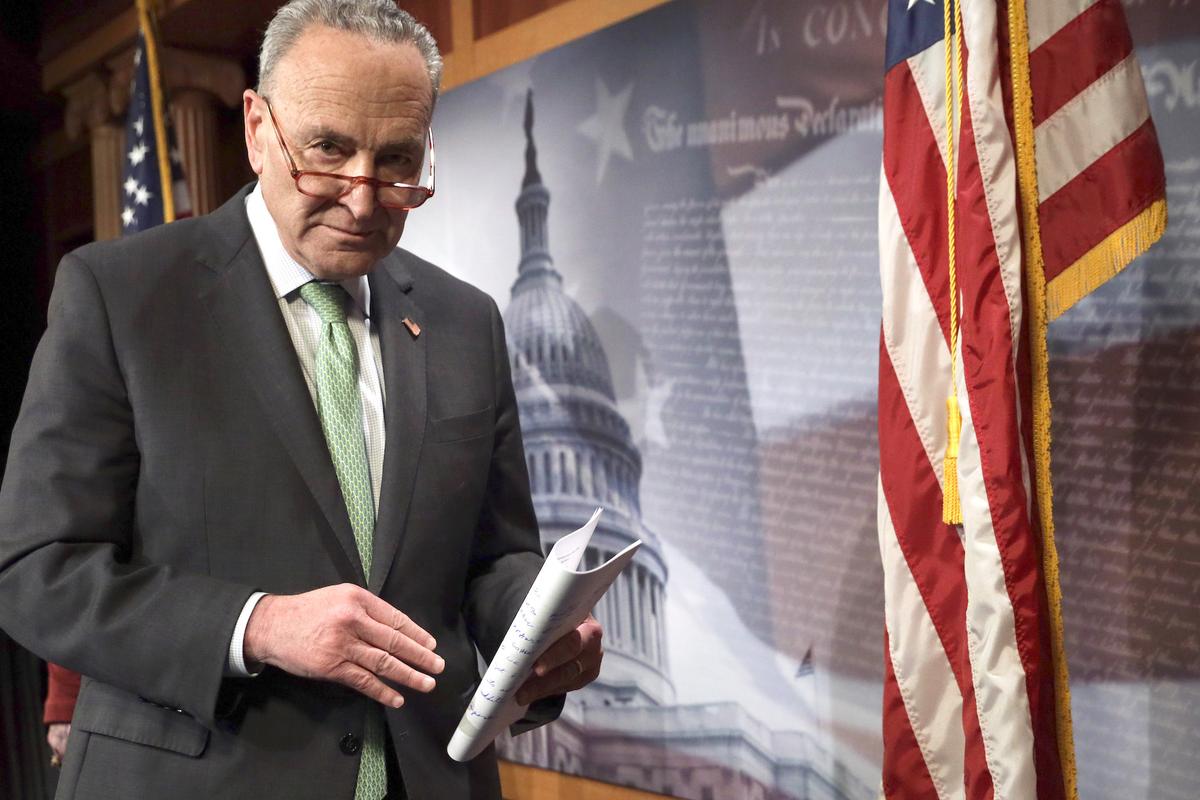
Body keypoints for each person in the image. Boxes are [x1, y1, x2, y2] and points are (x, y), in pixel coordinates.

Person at [0, 1, 602, 798]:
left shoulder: (466, 322)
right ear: (257, 127)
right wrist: (256, 625)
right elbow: (36, 571)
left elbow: (491, 557)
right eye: (328, 151)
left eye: (397, 162)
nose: (361, 200)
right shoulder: (122, 297)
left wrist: (543, 623)